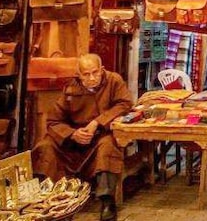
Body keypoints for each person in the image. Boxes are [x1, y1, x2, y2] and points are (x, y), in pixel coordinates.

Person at [32, 54, 132, 221]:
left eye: (95, 72)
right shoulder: (71, 87)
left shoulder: (113, 81)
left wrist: (97, 123)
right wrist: (72, 134)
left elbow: (125, 104)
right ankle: (48, 198)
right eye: (86, 74)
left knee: (107, 146)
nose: (92, 78)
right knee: (45, 146)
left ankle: (107, 201)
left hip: (101, 134)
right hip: (75, 139)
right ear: (78, 75)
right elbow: (54, 120)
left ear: (102, 70)